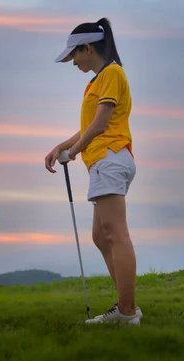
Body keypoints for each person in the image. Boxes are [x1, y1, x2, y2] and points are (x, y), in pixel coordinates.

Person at [45, 18, 142, 325]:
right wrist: (62, 146)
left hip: (110, 158)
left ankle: (127, 312)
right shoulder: (98, 81)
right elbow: (89, 126)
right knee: (101, 236)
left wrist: (73, 153)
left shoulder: (111, 72)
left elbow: (100, 125)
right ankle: (125, 306)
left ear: (87, 48)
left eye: (74, 55)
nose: (72, 62)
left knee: (115, 234)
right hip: (104, 162)